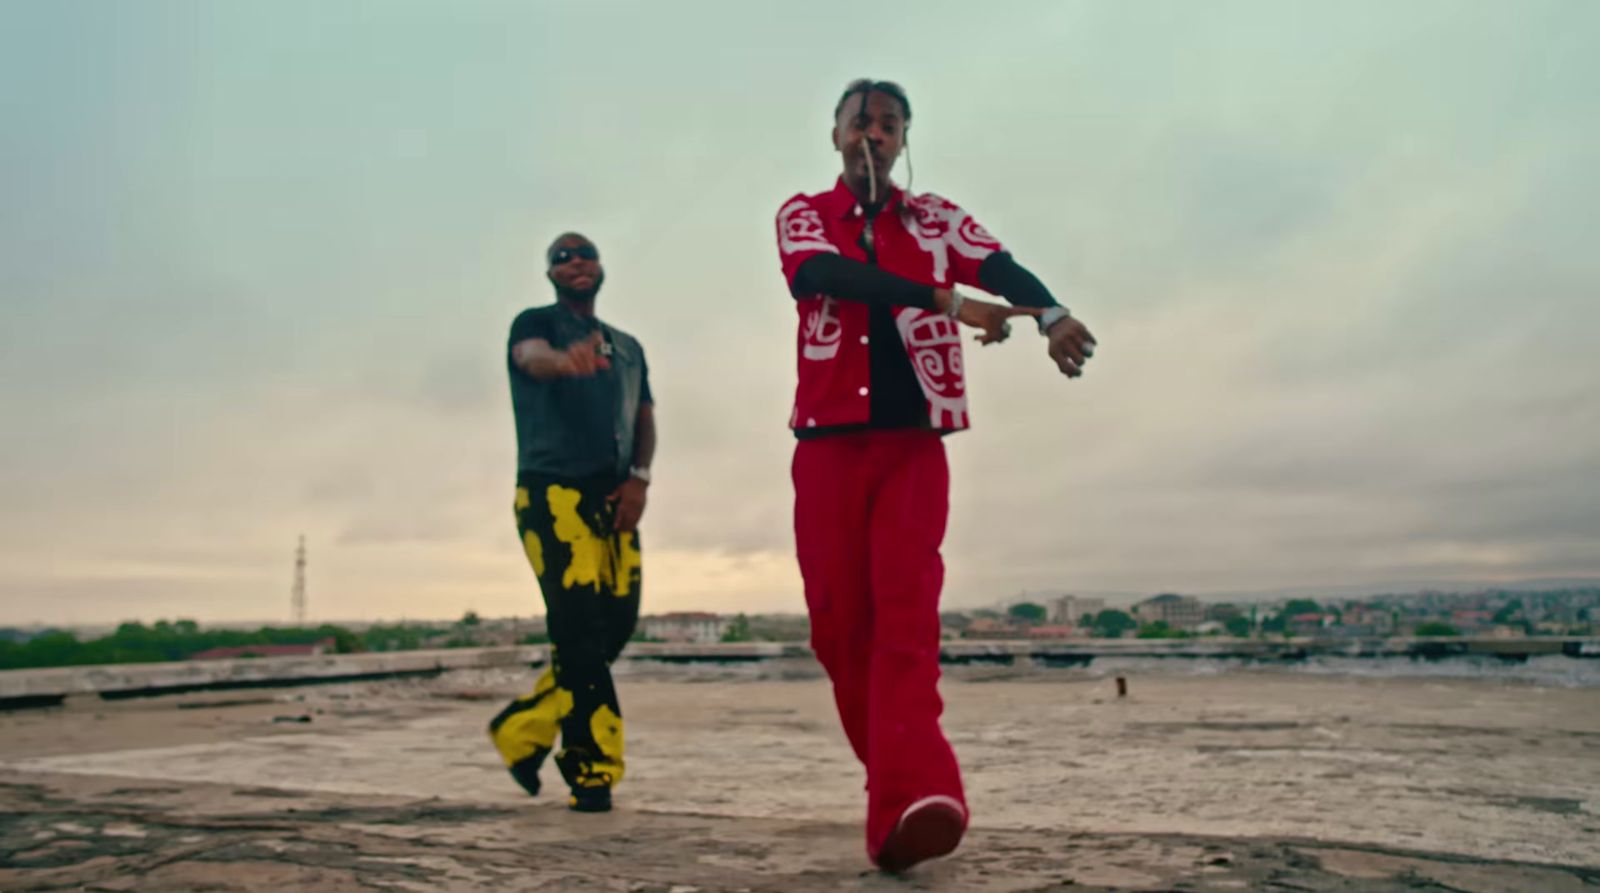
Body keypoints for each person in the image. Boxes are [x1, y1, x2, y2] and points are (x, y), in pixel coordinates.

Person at [773, 79, 1097, 871]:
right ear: (836, 135)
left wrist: (1053, 315)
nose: (873, 136)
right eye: (861, 123)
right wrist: (947, 301)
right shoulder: (805, 212)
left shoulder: (935, 218)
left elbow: (1002, 266)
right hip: (826, 446)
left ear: (904, 139)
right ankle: (900, 791)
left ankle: (920, 796)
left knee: (907, 621)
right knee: (839, 628)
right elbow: (821, 276)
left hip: (915, 444)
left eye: (889, 125)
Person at [487, 232, 656, 813]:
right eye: (562, 257)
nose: (575, 261)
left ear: (601, 266)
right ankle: (592, 770)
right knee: (579, 631)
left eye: (583, 253)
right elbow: (529, 359)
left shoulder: (628, 347)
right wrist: (563, 363)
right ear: (551, 274)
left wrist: (639, 478)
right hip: (551, 495)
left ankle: (524, 727)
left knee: (615, 627)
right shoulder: (534, 324)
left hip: (614, 501)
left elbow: (645, 416)